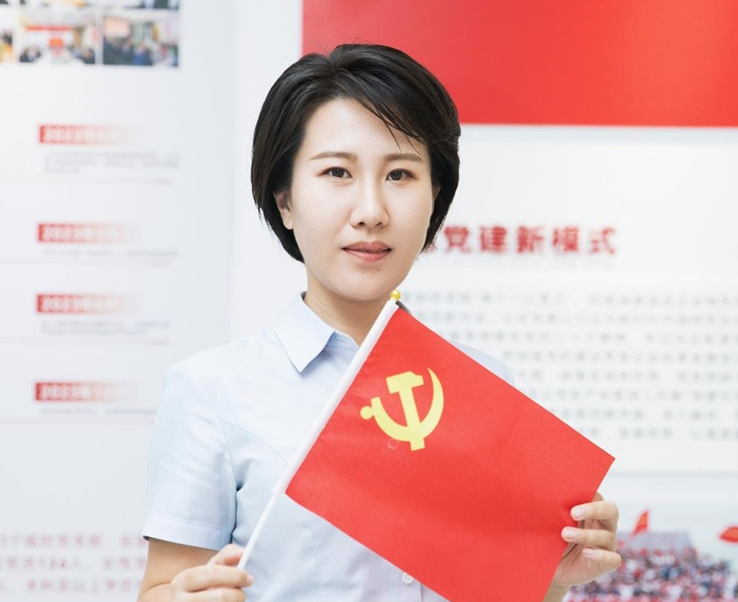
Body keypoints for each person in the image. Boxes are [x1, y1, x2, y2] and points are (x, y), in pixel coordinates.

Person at [137, 43, 621, 602]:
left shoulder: (485, 384)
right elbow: (162, 588)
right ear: (285, 199)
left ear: (434, 196)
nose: (371, 211)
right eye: (337, 171)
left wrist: (551, 577)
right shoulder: (212, 391)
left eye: (399, 174)